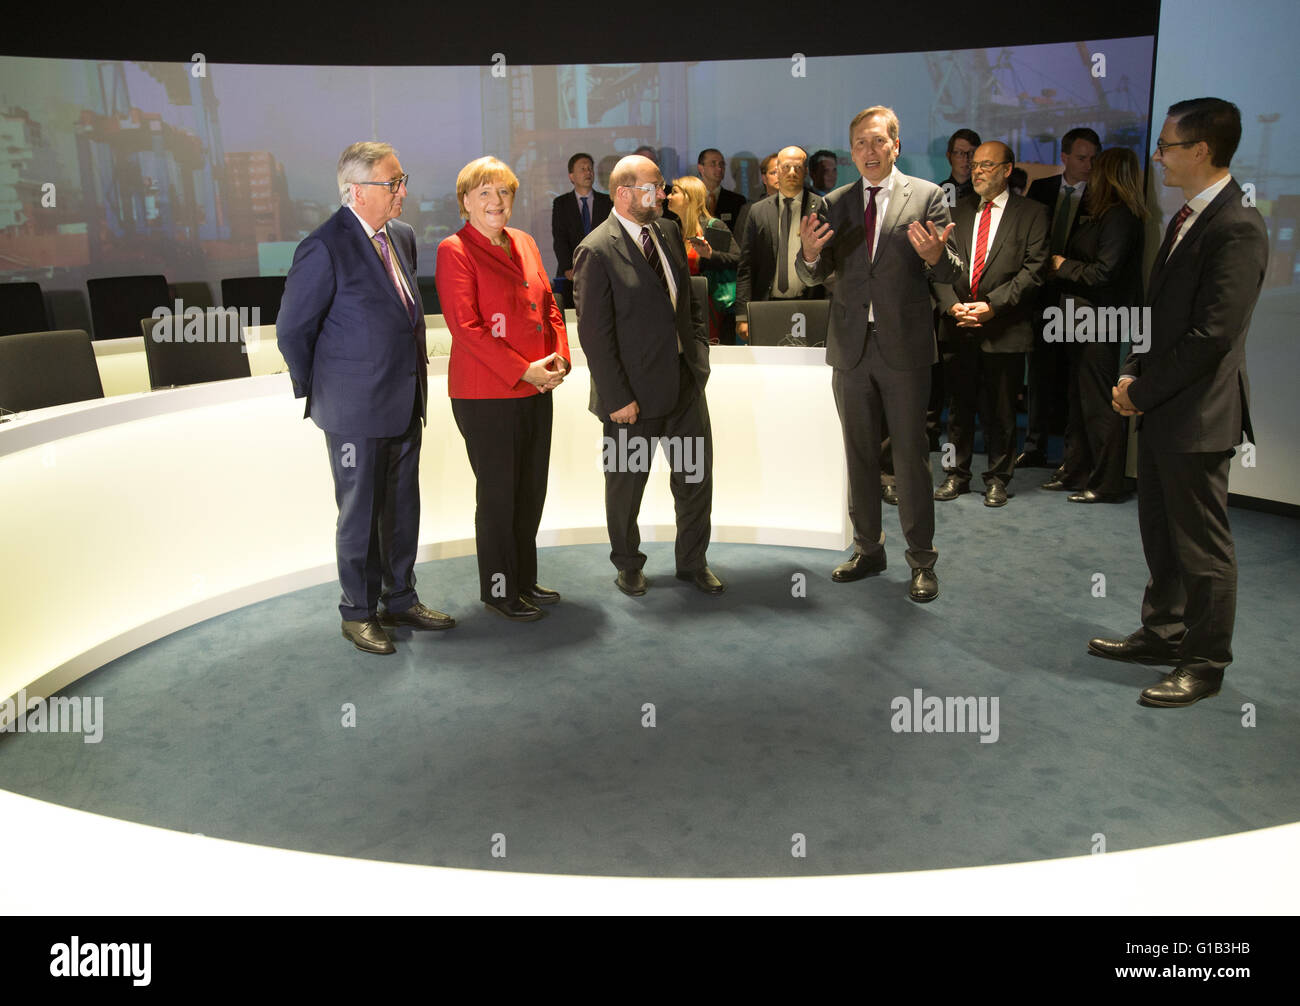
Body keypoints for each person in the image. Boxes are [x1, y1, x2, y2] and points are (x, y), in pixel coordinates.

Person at [1090, 98, 1268, 708]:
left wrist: (1140, 389)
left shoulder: (1238, 223)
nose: (1157, 156)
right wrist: (1135, 369)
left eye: (1166, 146)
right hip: (1165, 405)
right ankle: (1163, 633)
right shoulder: (1185, 217)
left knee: (1202, 546)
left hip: (1196, 414)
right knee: (1162, 534)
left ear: (1200, 151)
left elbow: (1212, 337)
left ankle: (1205, 662)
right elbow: (1160, 316)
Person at [277, 141, 455, 655]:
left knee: (402, 508)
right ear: (356, 191)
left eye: (402, 180)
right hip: (352, 410)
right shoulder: (324, 245)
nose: (403, 191)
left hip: (404, 400)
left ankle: (400, 598)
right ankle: (357, 612)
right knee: (359, 514)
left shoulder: (400, 236)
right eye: (392, 183)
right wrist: (321, 389)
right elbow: (292, 330)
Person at [796, 106, 962, 602]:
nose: (869, 152)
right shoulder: (834, 203)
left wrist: (935, 256)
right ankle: (869, 548)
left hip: (905, 351)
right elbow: (809, 276)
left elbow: (951, 271)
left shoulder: (928, 196)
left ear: (895, 144)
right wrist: (806, 255)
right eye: (860, 144)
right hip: (850, 350)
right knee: (859, 455)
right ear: (852, 152)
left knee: (910, 458)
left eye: (877, 142)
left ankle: (922, 560)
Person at [572, 154, 721, 597]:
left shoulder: (669, 231)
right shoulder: (595, 250)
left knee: (694, 480)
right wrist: (618, 398)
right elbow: (595, 337)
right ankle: (628, 564)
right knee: (626, 488)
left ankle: (693, 562)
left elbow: (688, 302)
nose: (663, 194)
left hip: (683, 387)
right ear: (623, 193)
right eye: (654, 187)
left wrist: (698, 359)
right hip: (630, 401)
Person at [436, 156, 572, 622]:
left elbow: (550, 305)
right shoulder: (455, 250)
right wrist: (524, 370)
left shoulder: (526, 242)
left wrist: (560, 357)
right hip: (487, 396)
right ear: (465, 202)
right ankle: (499, 589)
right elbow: (467, 329)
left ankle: (524, 579)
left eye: (504, 192)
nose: (496, 201)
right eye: (484, 193)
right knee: (499, 496)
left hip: (537, 388)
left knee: (530, 490)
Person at [932, 141, 1049, 507]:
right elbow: (936, 266)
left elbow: (1034, 271)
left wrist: (991, 307)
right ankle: (956, 475)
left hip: (1005, 328)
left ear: (1007, 170)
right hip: (958, 326)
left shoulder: (1033, 213)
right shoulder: (955, 210)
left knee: (1000, 412)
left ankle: (998, 478)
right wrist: (952, 307)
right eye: (974, 164)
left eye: (986, 164)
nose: (976, 170)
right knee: (958, 411)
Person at [1048, 146, 1146, 503]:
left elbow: (1106, 273)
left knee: (1099, 403)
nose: (1089, 171)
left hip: (1101, 319)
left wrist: (1062, 266)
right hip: (1082, 318)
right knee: (1079, 399)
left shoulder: (1119, 216)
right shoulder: (1105, 214)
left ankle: (1106, 482)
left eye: (1096, 166)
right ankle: (1077, 471)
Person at [1022, 126, 1101, 476]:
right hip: (1039, 296)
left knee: (1073, 379)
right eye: (1082, 158)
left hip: (1079, 298)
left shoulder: (1101, 197)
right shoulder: (1041, 190)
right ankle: (1033, 447)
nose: (1088, 164)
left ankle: (1071, 457)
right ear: (1065, 157)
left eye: (1093, 158)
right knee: (1039, 375)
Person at [735, 145, 826, 343]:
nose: (791, 173)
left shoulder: (822, 208)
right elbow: (746, 267)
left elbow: (831, 262)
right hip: (766, 305)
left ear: (806, 171)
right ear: (777, 169)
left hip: (811, 304)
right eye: (785, 167)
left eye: (798, 167)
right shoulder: (758, 211)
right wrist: (742, 315)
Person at [667, 175, 740, 345]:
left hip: (710, 309)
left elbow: (738, 259)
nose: (669, 197)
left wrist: (710, 256)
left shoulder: (712, 226)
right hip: (681, 308)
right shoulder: (673, 229)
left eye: (674, 192)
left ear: (689, 197)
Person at [552, 152, 612, 300]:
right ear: (571, 176)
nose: (588, 172)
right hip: (571, 275)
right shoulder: (561, 203)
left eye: (590, 168)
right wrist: (567, 268)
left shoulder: (607, 202)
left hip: (602, 273)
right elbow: (560, 239)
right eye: (582, 169)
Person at [696, 148, 747, 232]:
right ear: (701, 168)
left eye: (722, 164)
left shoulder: (737, 201)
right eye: (713, 164)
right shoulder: (690, 198)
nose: (719, 168)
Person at [938, 128, 981, 203]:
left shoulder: (985, 191)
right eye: (960, 153)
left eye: (972, 153)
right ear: (949, 156)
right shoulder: (938, 193)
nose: (966, 159)